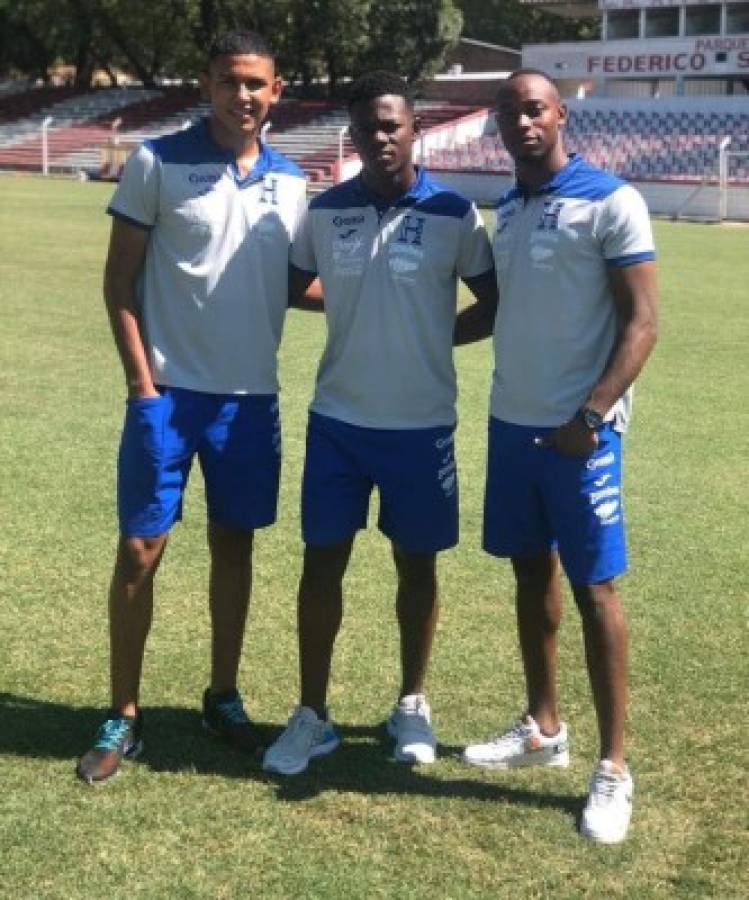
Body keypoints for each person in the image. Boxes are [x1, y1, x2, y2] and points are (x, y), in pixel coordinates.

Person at [76, 31, 307, 785]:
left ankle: (222, 696)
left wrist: (393, 299)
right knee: (139, 551)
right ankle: (124, 712)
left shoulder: (293, 182)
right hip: (168, 395)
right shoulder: (156, 163)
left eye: (257, 85)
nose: (243, 96)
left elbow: (295, 285)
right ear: (206, 85)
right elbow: (119, 285)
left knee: (234, 548)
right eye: (229, 81)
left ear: (278, 91)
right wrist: (143, 387)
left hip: (250, 400)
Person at [262, 70, 497, 776]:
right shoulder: (326, 209)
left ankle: (411, 704)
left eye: (391, 124)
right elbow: (291, 282)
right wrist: (357, 309)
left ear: (413, 127)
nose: (380, 137)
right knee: (320, 563)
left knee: (415, 566)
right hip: (337, 419)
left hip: (420, 425)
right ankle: (311, 714)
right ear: (355, 133)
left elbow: (493, 302)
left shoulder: (455, 213)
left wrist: (429, 335)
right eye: (367, 127)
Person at [458, 69, 658, 844]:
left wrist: (592, 414)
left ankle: (612, 767)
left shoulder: (611, 199)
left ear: (559, 113)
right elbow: (497, 313)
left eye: (533, 108)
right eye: (507, 112)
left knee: (595, 590)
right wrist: (408, 329)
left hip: (581, 434)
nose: (521, 122)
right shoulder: (504, 211)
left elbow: (642, 323)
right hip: (511, 425)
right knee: (527, 572)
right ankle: (543, 726)